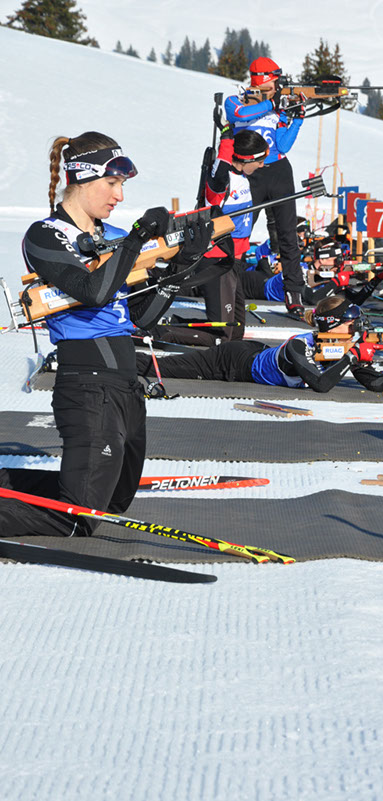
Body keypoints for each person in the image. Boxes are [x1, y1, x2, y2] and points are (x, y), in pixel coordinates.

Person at [0, 131, 212, 537]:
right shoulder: (46, 235)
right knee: (77, 519)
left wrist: (179, 267)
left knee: (113, 502)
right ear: (82, 177)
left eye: (122, 185)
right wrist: (136, 239)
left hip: (125, 388)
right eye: (112, 183)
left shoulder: (112, 237)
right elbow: (92, 291)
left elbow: (141, 319)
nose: (119, 195)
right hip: (87, 387)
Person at [136, 295, 383, 394]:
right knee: (161, 367)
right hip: (230, 362)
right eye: (352, 324)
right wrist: (353, 358)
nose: (358, 329)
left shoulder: (345, 347)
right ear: (333, 325)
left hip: (254, 352)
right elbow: (321, 384)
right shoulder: (299, 346)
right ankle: (116, 355)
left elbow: (377, 384)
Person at [151, 128, 269, 347]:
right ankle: (161, 332)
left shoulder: (241, 176)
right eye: (260, 161)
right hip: (217, 259)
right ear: (246, 159)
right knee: (222, 336)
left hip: (234, 259)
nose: (262, 166)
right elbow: (219, 170)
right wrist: (226, 140)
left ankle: (173, 325)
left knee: (236, 332)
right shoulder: (221, 181)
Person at [225, 57, 306, 320]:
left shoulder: (275, 108)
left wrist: (296, 119)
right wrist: (272, 104)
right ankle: (227, 285)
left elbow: (282, 146)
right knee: (239, 232)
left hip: (279, 172)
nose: (277, 86)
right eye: (273, 81)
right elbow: (239, 115)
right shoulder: (236, 101)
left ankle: (293, 293)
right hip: (250, 174)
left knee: (288, 235)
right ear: (262, 80)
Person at [241, 240, 383, 306]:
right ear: (322, 260)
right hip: (252, 284)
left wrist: (378, 278)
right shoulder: (300, 271)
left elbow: (356, 300)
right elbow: (313, 299)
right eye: (337, 260)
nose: (340, 265)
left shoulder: (325, 277)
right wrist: (337, 282)